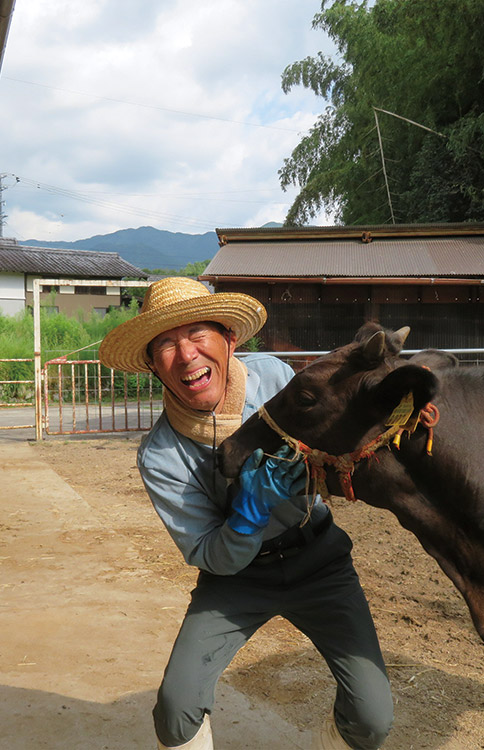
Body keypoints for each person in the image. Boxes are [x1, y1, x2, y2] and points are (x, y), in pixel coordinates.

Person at [99, 277, 393, 750]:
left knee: (373, 719)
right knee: (175, 711)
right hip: (237, 579)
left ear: (229, 340)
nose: (187, 355)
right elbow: (206, 552)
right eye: (167, 345)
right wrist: (247, 517)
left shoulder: (275, 377)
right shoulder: (161, 455)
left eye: (197, 335)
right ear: (154, 366)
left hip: (320, 562)